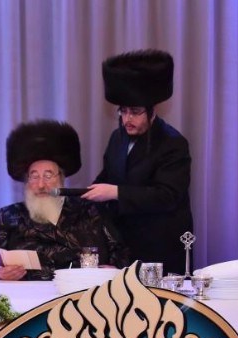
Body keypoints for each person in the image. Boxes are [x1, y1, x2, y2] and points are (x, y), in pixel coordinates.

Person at [83, 49, 193, 275]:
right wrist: (84, 195)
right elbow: (107, 177)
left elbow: (168, 195)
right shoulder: (117, 138)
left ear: (152, 111)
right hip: (124, 244)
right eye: (123, 112)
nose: (127, 119)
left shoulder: (173, 143)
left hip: (161, 245)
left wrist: (115, 192)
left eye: (135, 112)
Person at [0, 120, 131, 281]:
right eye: (34, 176)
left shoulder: (90, 210)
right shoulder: (10, 215)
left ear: (61, 179)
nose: (41, 185)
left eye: (48, 175)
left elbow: (121, 253)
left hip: (81, 291)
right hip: (27, 293)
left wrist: (113, 271)